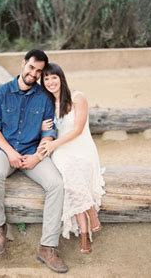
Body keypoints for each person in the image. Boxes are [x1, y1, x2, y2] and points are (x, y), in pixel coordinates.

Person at [0, 49, 68, 274]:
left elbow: (48, 133)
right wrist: (10, 152)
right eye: (31, 68)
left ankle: (47, 247)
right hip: (4, 150)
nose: (34, 73)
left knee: (56, 185)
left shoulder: (44, 98)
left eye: (39, 71)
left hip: (33, 152)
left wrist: (38, 157)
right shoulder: (1, 93)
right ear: (23, 64)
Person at [39, 63, 105, 254]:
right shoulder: (49, 105)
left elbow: (77, 129)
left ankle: (85, 231)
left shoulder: (78, 97)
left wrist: (53, 145)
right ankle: (89, 220)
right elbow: (48, 130)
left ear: (61, 78)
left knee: (72, 177)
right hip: (62, 150)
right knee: (68, 175)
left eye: (54, 77)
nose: (50, 82)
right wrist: (45, 130)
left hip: (82, 148)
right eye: (46, 79)